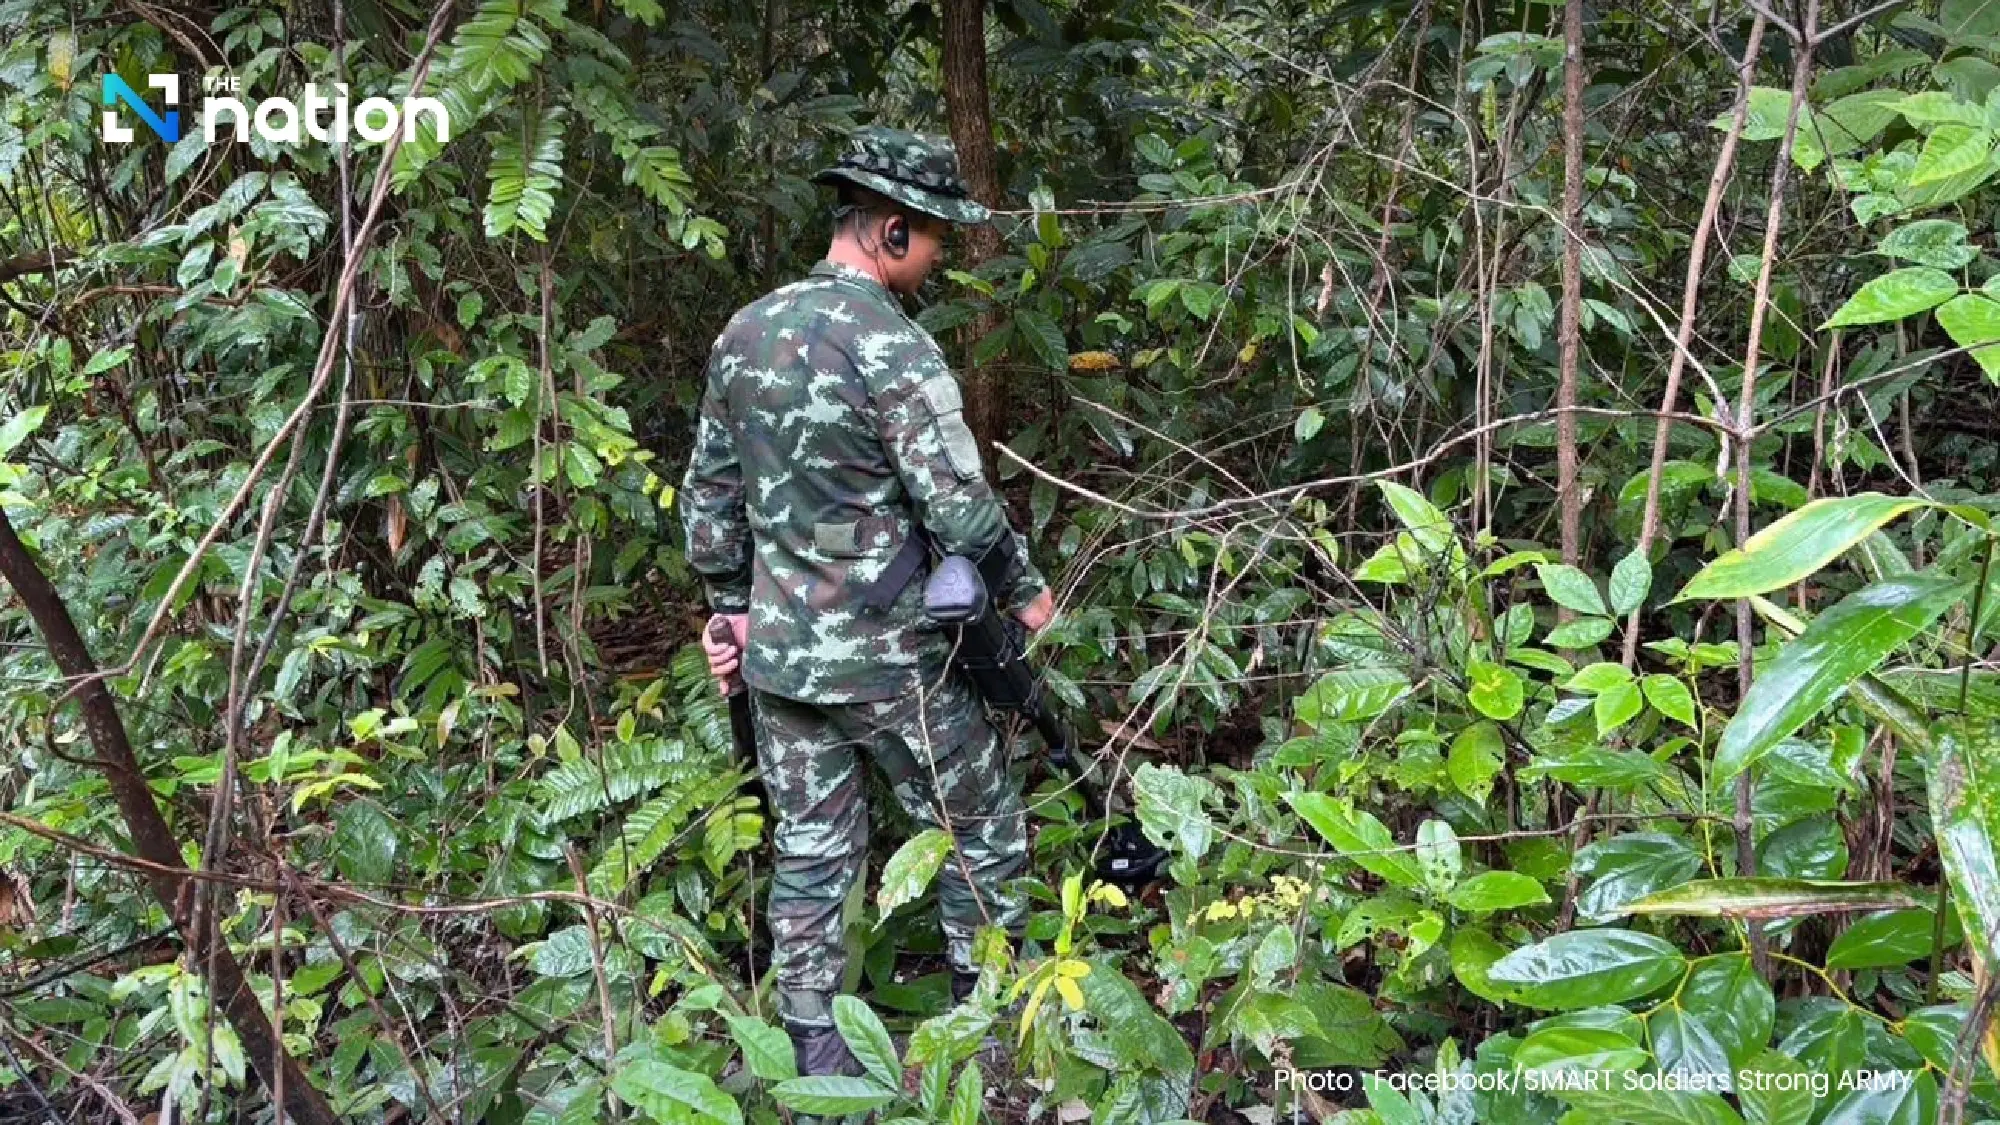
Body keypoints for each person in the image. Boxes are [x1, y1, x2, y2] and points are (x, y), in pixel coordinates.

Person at [677, 125, 1055, 1077]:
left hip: (781, 660)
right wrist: (1025, 592)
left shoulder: (742, 332)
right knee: (980, 829)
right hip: (892, 659)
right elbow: (959, 508)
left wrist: (733, 609)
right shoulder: (894, 346)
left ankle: (818, 1062)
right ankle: (985, 1045)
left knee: (810, 854)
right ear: (890, 230)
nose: (935, 260)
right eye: (932, 240)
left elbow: (709, 505)